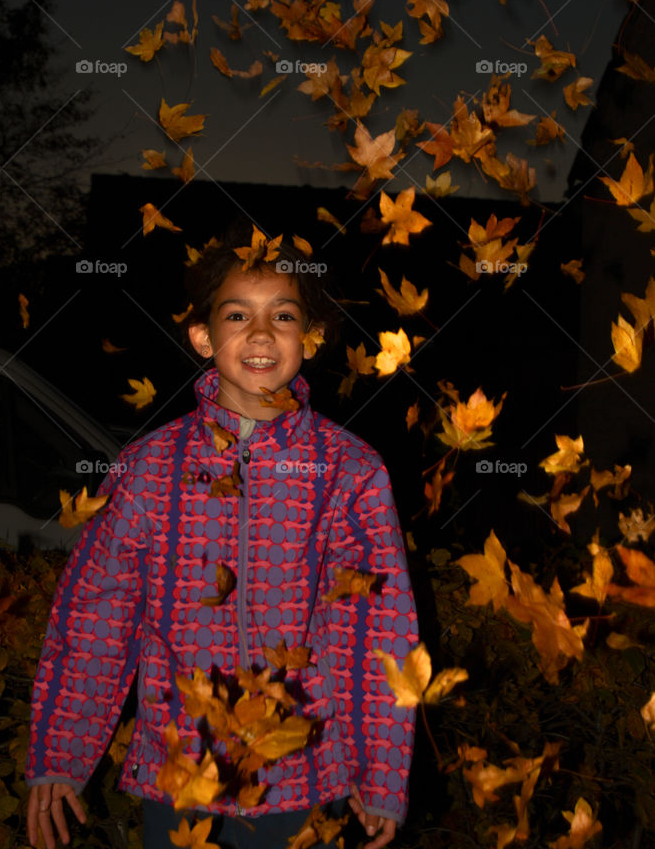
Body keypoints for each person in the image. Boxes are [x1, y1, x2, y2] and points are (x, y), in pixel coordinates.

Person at [25, 225, 420, 849]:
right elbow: (99, 612)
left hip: (304, 778)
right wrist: (61, 753)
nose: (261, 334)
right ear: (204, 337)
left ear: (310, 338)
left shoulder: (349, 469)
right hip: (185, 777)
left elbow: (379, 629)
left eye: (284, 315)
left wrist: (378, 774)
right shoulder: (149, 467)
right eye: (238, 314)